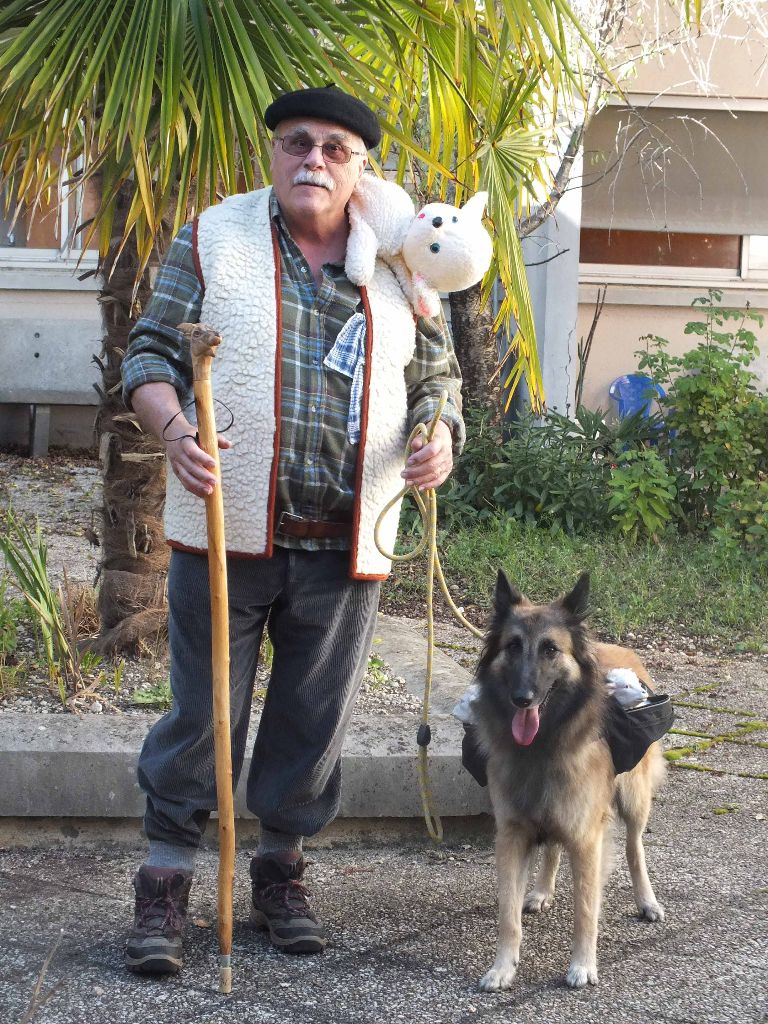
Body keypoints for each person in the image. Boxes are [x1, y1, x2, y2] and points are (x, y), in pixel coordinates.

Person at [120, 85, 464, 974]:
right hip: (227, 526)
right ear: (274, 152)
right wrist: (174, 429)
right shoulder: (215, 234)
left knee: (313, 717)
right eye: (297, 143)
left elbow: (439, 378)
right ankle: (164, 884)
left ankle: (280, 872)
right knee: (202, 714)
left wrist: (438, 439)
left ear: (361, 168)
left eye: (336, 149)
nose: (314, 159)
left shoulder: (402, 261)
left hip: (350, 532)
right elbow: (151, 352)